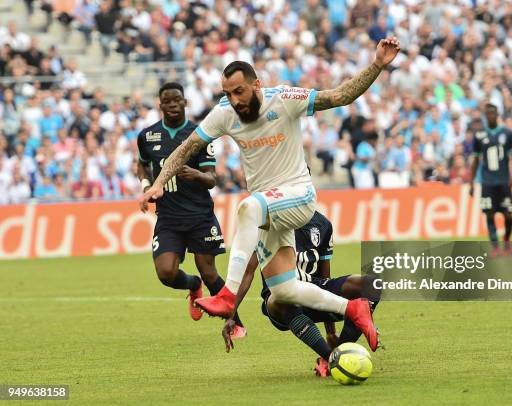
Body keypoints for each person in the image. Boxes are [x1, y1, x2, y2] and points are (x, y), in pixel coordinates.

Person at [139, 37, 401, 351]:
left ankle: (227, 296)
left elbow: (341, 95)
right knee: (284, 290)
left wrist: (376, 66)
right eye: (228, 94)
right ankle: (352, 309)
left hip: (298, 196)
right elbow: (186, 149)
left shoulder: (285, 98)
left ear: (256, 85)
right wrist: (157, 184)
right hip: (269, 213)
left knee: (248, 207)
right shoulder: (224, 113)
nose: (234, 100)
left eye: (239, 91)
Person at [137, 82, 244, 335]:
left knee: (209, 272)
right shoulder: (147, 136)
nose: (173, 105)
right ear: (160, 105)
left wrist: (196, 174)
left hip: (199, 216)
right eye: (167, 101)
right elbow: (142, 165)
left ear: (185, 103)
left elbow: (211, 179)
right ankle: (192, 285)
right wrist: (146, 186)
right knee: (165, 273)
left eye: (177, 100)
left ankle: (236, 323)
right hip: (168, 217)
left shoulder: (200, 133)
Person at [221, 211, 380, 377]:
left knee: (371, 285)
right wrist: (231, 315)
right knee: (281, 297)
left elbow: (324, 276)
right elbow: (248, 273)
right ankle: (333, 359)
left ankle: (334, 355)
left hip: (315, 293)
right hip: (280, 300)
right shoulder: (269, 224)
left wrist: (331, 333)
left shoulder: (323, 224)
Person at [469, 104, 512, 257]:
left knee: (508, 214)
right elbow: (476, 160)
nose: (490, 116)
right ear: (485, 115)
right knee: (489, 213)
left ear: (497, 114)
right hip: (487, 181)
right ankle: (495, 246)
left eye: (493, 113)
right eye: (488, 113)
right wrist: (471, 182)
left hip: (503, 181)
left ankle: (507, 239)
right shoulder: (479, 135)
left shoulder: (507, 134)